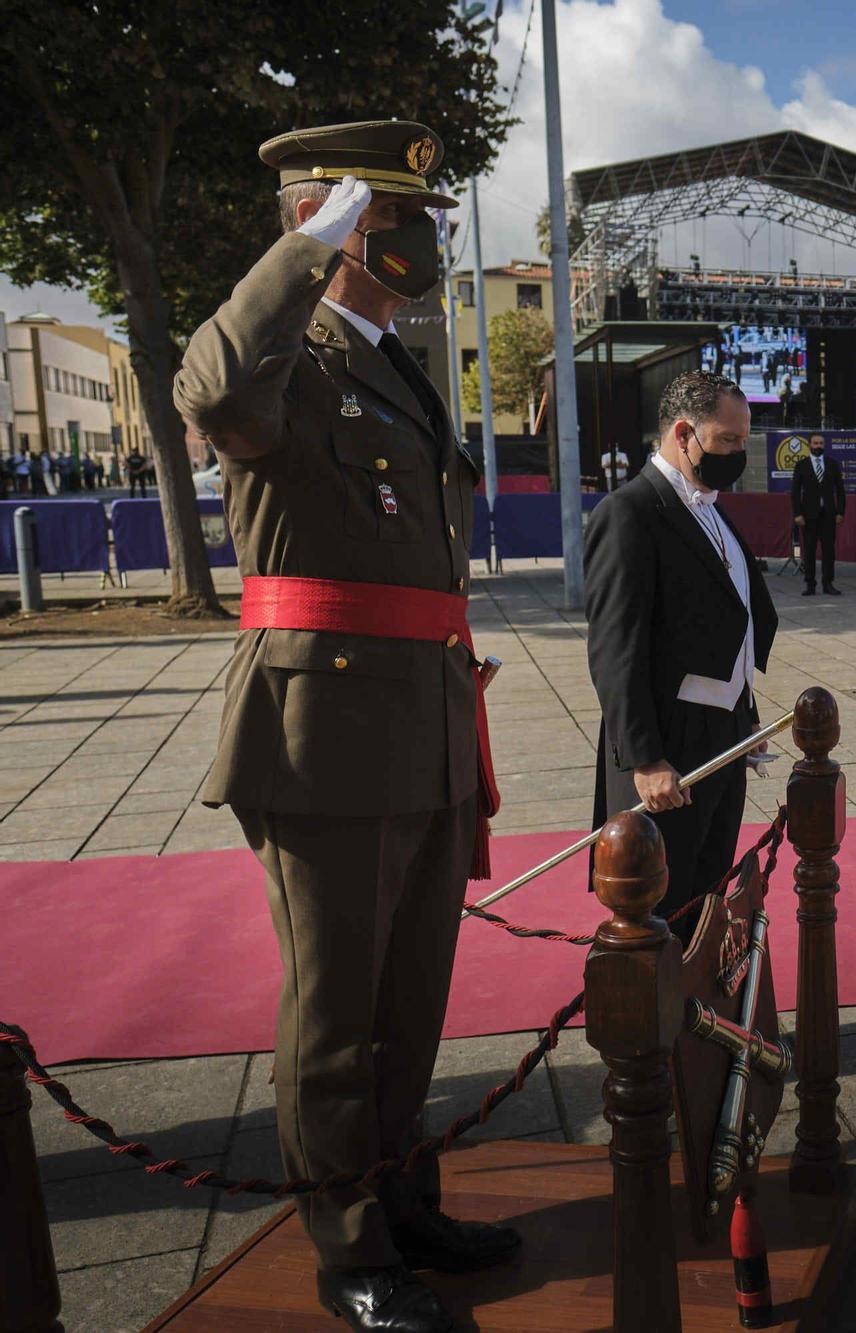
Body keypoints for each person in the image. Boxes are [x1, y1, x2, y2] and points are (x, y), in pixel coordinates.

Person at [173, 120, 513, 1331]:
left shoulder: (390, 358)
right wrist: (301, 250)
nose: (437, 239)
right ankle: (350, 1248)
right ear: (348, 228)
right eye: (409, 219)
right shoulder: (291, 359)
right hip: (321, 731)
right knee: (335, 1013)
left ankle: (403, 1198)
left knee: (410, 999)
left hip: (416, 721)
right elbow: (208, 389)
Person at [586, 369, 777, 925]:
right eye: (728, 441)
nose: (738, 453)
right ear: (684, 433)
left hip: (723, 742)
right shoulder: (630, 513)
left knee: (708, 898)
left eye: (744, 440)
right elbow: (616, 649)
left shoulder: (713, 510)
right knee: (663, 911)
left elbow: (728, 626)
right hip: (668, 752)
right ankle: (659, 1015)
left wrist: (747, 721)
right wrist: (645, 759)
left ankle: (697, 1010)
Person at [790, 431, 845, 595]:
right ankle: (810, 584)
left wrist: (840, 512)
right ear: (810, 445)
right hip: (808, 516)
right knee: (809, 550)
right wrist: (797, 514)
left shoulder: (832, 464)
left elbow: (840, 490)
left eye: (821, 443)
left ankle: (828, 583)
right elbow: (795, 492)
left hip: (828, 514)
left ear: (824, 445)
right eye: (815, 443)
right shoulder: (802, 465)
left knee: (829, 551)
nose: (818, 446)